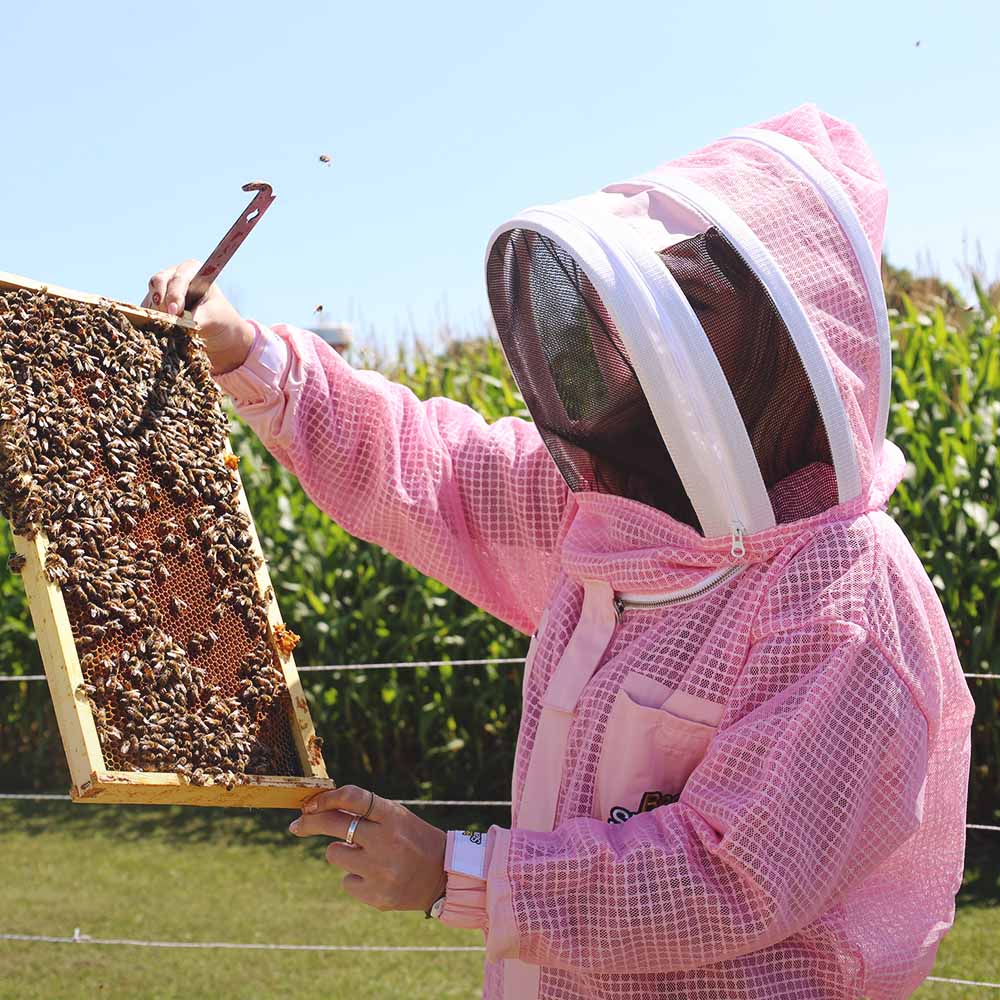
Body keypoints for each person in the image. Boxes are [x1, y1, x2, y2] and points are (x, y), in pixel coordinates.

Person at [144, 104, 975, 1000]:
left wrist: (456, 874)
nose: (631, 354)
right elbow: (434, 469)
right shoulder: (610, 515)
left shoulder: (843, 601)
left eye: (691, 313)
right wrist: (248, 357)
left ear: (776, 345)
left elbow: (729, 876)